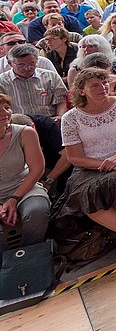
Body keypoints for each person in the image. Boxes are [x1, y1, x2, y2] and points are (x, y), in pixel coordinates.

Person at [60, 67, 116, 258]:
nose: (102, 87)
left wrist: (115, 158)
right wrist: (103, 164)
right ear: (81, 91)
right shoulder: (70, 118)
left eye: (104, 83)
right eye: (95, 85)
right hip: (88, 166)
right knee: (85, 193)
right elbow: (74, 157)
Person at [0, 94, 51, 246]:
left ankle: (28, 256)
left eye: (7, 108)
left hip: (24, 187)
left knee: (37, 210)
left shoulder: (25, 132)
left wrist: (14, 198)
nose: (4, 112)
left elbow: (37, 169)